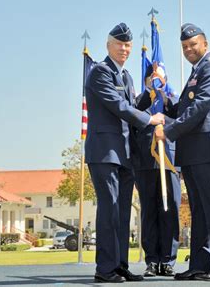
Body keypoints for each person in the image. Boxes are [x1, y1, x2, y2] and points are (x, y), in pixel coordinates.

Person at [155, 23, 210, 282]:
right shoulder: (196, 72)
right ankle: (200, 265)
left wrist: (169, 130)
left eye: (193, 44)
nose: (189, 49)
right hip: (192, 151)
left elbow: (200, 107)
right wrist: (164, 103)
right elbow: (184, 107)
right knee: (200, 211)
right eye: (184, 46)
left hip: (207, 150)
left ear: (205, 44)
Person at [85, 22, 165, 283]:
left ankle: (119, 265)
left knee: (122, 213)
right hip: (105, 153)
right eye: (119, 44)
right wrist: (149, 120)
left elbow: (131, 105)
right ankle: (105, 269)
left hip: (125, 154)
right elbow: (119, 106)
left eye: (127, 45)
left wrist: (151, 92)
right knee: (109, 209)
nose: (124, 49)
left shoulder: (127, 76)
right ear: (108, 45)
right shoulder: (99, 72)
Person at [132, 67, 182, 277]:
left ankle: (168, 260)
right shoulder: (139, 101)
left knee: (170, 211)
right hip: (144, 162)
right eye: (152, 77)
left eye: (160, 77)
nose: (156, 80)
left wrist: (164, 119)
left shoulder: (173, 100)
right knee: (149, 213)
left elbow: (182, 120)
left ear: (166, 79)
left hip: (169, 161)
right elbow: (132, 122)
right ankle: (152, 260)